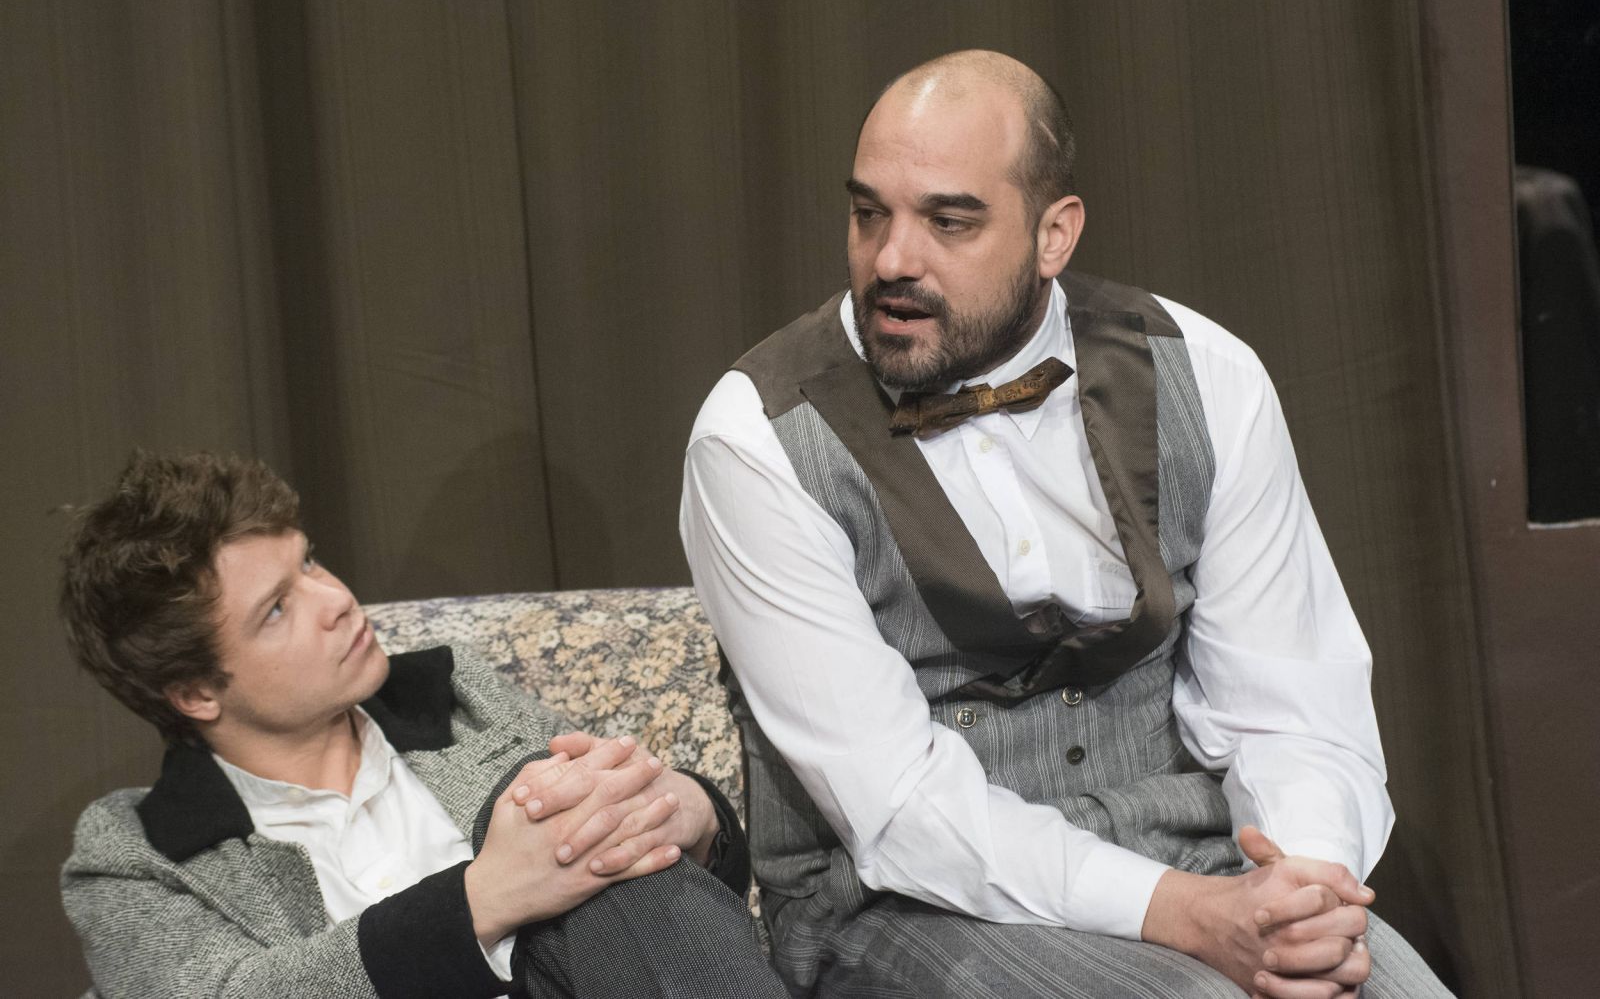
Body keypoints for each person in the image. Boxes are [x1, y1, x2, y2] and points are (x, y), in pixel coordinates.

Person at [680, 50, 1453, 998]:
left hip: (1199, 856)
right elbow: (898, 806)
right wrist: (1188, 914)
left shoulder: (1205, 375)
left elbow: (1289, 701)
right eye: (869, 213)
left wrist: (1299, 891)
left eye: (948, 221)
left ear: (1055, 234)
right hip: (903, 905)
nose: (891, 260)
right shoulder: (757, 438)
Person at [59, 450, 785, 998]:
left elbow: (643, 898)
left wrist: (693, 814)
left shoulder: (456, 697)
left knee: (586, 841)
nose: (336, 599)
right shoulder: (131, 855)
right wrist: (484, 897)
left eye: (310, 563)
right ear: (195, 692)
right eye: (277, 608)